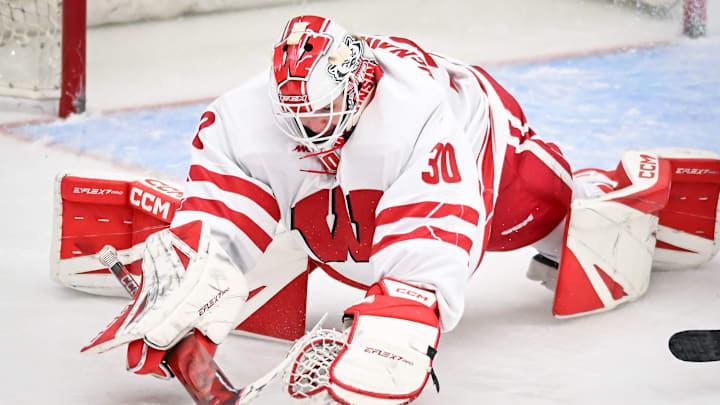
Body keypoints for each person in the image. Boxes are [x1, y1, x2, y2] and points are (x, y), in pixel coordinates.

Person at [85, 15, 720, 404]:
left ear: (362, 87)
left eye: (320, 114)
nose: (308, 131)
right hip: (344, 212)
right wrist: (196, 276)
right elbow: (225, 207)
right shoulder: (244, 115)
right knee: (286, 218)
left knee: (546, 213)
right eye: (295, 115)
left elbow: (435, 230)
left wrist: (400, 323)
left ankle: (621, 197)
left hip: (487, 155)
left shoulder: (418, 113)